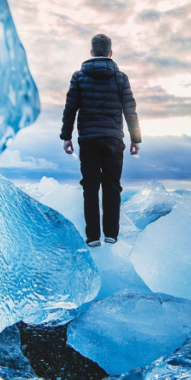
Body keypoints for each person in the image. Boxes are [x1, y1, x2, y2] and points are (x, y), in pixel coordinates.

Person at [60, 33, 141, 247]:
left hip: (88, 140)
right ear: (110, 53)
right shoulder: (121, 77)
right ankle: (111, 234)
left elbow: (70, 109)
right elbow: (130, 109)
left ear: (91, 52)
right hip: (114, 140)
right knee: (112, 186)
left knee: (90, 187)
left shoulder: (79, 77)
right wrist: (136, 138)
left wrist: (66, 136)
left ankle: (93, 236)